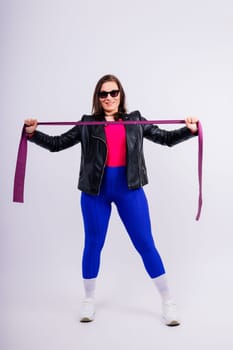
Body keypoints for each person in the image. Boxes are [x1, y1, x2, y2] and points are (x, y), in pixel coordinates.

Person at [24, 74, 198, 326]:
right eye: (103, 94)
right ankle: (88, 300)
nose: (109, 98)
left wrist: (188, 130)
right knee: (93, 244)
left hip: (129, 190)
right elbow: (57, 144)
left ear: (120, 95)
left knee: (145, 244)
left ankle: (167, 302)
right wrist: (33, 133)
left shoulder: (135, 120)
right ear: (98, 97)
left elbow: (165, 138)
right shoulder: (87, 124)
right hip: (95, 193)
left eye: (113, 93)